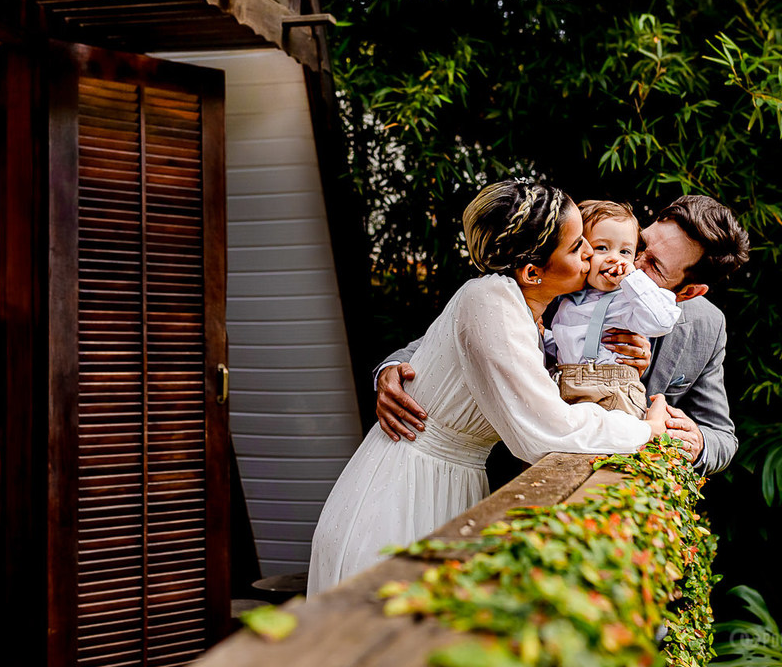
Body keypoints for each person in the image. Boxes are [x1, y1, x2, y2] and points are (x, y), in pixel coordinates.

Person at [307, 181, 669, 594]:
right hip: (402, 494)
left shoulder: (525, 308)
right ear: (532, 272)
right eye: (577, 247)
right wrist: (646, 430)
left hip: (451, 483)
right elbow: (545, 429)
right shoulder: (491, 303)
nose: (590, 253)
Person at [376, 195, 750, 476]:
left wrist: (697, 442)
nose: (628, 262)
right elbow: (469, 323)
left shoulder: (706, 326)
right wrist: (395, 366)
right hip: (523, 475)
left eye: (652, 265)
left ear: (687, 293)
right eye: (641, 243)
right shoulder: (566, 270)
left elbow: (721, 436)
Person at [547, 200, 680, 417]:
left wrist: (632, 279)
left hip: (613, 392)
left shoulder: (630, 299)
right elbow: (567, 344)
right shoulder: (568, 300)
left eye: (625, 251)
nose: (614, 258)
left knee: (614, 448)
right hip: (566, 388)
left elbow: (662, 321)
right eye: (601, 247)